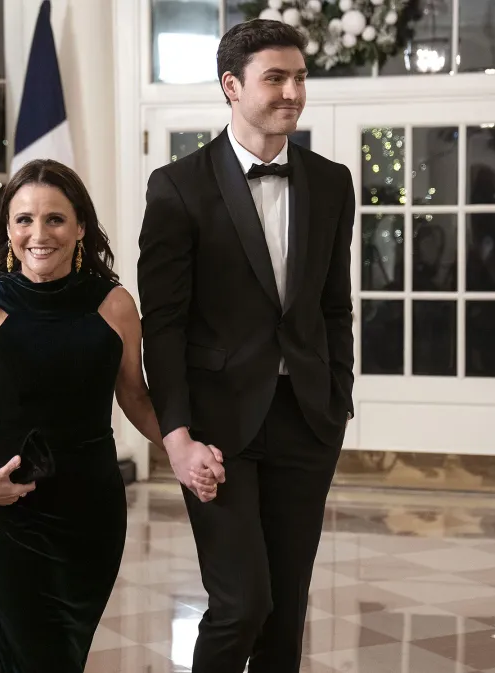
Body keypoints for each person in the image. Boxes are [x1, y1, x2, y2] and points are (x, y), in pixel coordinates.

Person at [0, 159, 219, 672]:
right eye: (24, 219)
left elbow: (135, 397)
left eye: (54, 219)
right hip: (11, 509)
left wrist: (181, 447)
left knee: (64, 653)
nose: (39, 233)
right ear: (8, 231)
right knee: (40, 654)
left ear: (80, 228)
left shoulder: (114, 305)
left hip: (93, 509)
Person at [137, 19, 356, 673]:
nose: (292, 91)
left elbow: (334, 304)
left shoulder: (332, 181)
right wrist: (176, 437)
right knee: (242, 602)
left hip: (306, 420)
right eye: (275, 78)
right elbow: (164, 324)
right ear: (232, 86)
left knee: (286, 609)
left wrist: (337, 396)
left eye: (299, 77)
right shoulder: (177, 187)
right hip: (218, 428)